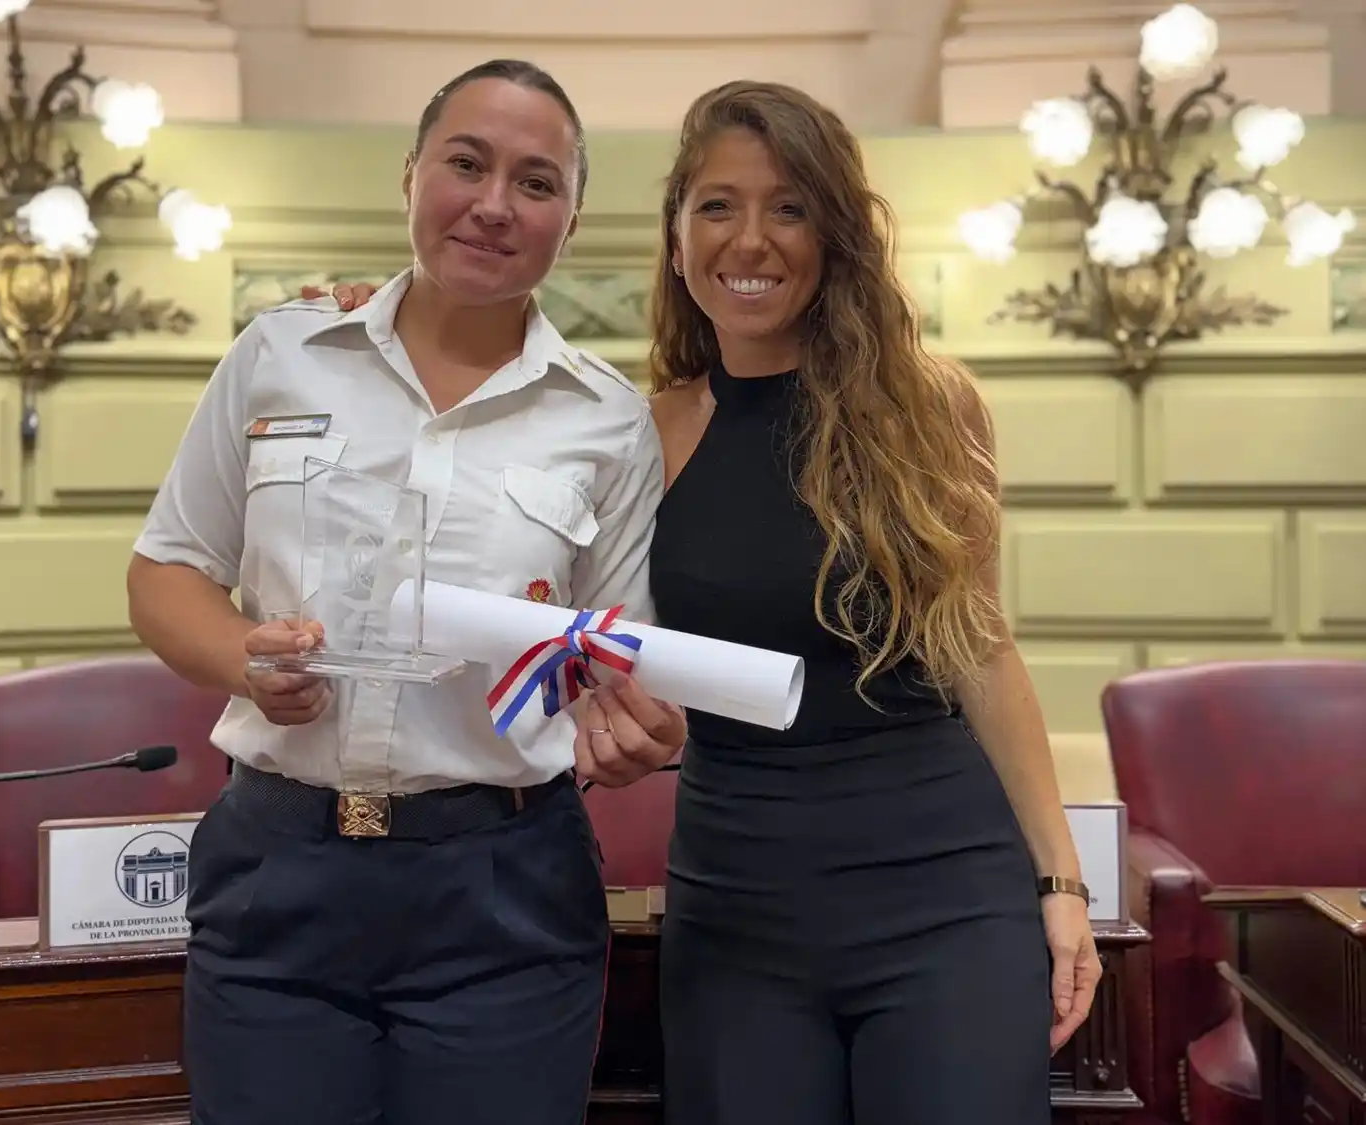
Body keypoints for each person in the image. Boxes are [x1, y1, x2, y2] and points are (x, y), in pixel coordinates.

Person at [324, 80, 1100, 1125]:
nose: (751, 238)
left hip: (943, 891)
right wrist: (381, 325)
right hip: (738, 909)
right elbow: (513, 543)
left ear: (835, 234)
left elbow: (984, 651)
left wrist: (1061, 884)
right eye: (718, 206)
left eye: (790, 207)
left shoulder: (930, 404)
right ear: (678, 236)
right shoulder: (642, 431)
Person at [127, 59, 685, 1125]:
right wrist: (243, 656)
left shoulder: (609, 421)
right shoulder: (280, 354)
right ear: (410, 175)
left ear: (570, 221)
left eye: (535, 182)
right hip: (278, 872)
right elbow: (166, 571)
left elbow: (618, 661)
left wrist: (635, 732)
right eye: (465, 164)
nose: (494, 204)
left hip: (505, 890)